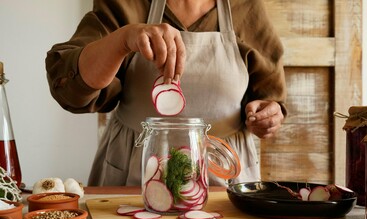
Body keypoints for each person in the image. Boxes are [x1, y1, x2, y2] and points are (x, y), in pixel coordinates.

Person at [45, 0, 287, 187]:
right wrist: (123, 39)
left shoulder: (246, 7)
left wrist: (268, 114)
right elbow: (70, 89)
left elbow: (268, 95)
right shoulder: (125, 4)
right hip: (135, 171)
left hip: (224, 172)